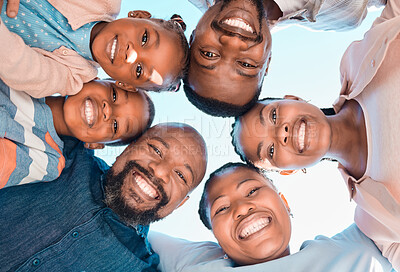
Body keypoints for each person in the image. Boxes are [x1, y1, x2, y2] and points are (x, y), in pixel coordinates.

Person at [231, 1, 400, 268]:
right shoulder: (375, 221)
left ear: (293, 98)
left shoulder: (360, 60)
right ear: (288, 171)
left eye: (274, 116)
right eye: (271, 152)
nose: (282, 134)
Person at [0, 122, 208, 271]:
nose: (160, 171)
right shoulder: (63, 149)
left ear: (180, 204)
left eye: (181, 175)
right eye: (156, 149)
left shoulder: (141, 267)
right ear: (128, 147)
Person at [148, 163, 395, 272]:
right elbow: (125, 226)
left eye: (253, 191)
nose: (242, 208)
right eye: (222, 209)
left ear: (284, 203)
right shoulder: (200, 262)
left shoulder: (357, 247)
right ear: (217, 239)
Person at [184, 0, 385, 117]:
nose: (233, 42)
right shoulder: (344, 14)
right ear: (267, 61)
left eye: (209, 54)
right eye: (246, 64)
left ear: (192, 37)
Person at [0, 0, 189, 97]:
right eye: (145, 38)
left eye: (139, 70)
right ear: (139, 15)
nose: (131, 55)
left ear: (125, 85)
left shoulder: (71, 78)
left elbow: (17, 66)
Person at [0, 78, 154, 188]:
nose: (108, 110)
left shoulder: (50, 160)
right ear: (95, 78)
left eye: (115, 126)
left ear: (94, 144)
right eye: (114, 95)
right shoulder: (32, 69)